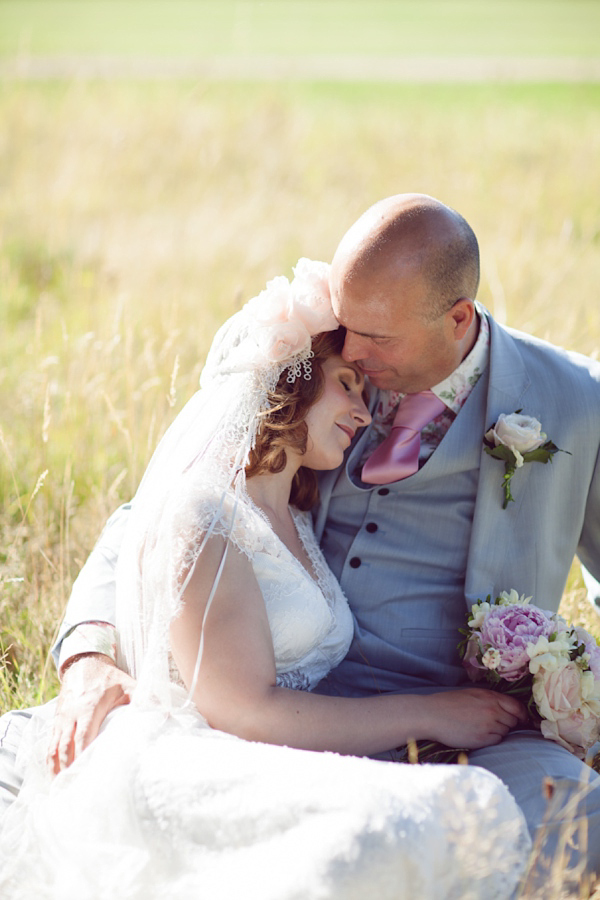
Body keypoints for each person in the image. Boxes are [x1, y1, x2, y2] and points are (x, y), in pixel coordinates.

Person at [1, 193, 599, 884]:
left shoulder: (574, 402)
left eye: (378, 339)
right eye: (349, 332)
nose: (353, 352)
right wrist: (88, 659)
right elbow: (158, 515)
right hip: (279, 718)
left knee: (576, 821)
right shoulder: (321, 369)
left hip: (466, 728)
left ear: (457, 318)